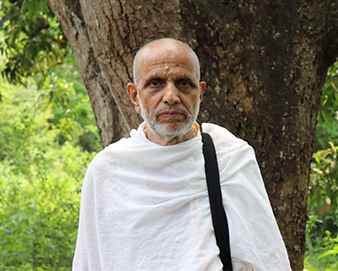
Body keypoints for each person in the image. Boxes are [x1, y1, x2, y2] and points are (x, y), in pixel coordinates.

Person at [72, 38, 291, 270]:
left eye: (183, 83)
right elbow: (90, 261)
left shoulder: (230, 158)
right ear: (135, 96)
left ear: (201, 92)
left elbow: (267, 260)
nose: (171, 97)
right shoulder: (107, 170)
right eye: (155, 83)